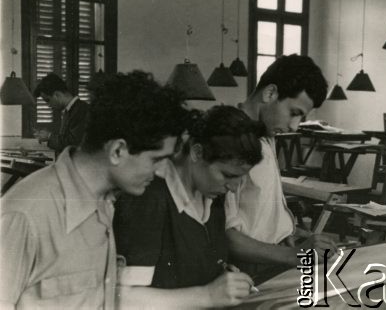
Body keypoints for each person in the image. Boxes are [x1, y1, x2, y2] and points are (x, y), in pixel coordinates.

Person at [0, 71, 189, 309]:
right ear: (117, 151)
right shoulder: (24, 215)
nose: (162, 171)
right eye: (156, 159)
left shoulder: (105, 203)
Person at [113, 105, 266, 309]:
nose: (233, 187)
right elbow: (122, 300)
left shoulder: (212, 195)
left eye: (241, 178)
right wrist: (208, 295)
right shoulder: (148, 198)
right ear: (197, 152)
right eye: (228, 175)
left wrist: (222, 277)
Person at [224, 54, 336, 276]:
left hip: (276, 258)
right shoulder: (230, 139)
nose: (294, 126)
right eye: (293, 113)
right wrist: (293, 255)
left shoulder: (265, 134)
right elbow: (226, 235)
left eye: (301, 118)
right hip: (249, 269)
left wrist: (292, 234)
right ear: (270, 93)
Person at [34, 73, 90, 155]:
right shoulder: (69, 111)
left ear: (57, 95)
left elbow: (74, 144)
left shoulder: (81, 109)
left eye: (48, 100)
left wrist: (49, 136)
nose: (48, 105)